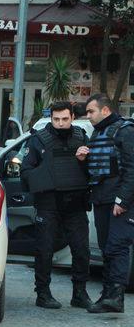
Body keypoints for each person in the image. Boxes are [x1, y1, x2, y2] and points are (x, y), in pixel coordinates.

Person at [20, 101, 91, 309]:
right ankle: (43, 293)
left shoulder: (81, 137)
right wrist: (46, 177)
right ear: (51, 118)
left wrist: (83, 161)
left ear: (72, 118)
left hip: (75, 203)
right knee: (45, 250)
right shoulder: (39, 140)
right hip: (49, 203)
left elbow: (92, 171)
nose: (60, 123)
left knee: (81, 250)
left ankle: (79, 293)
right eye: (56, 119)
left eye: (65, 119)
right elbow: (26, 172)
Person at [77, 93, 134, 313]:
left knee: (117, 247)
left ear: (106, 110)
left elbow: (131, 169)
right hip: (101, 198)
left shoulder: (125, 130)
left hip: (120, 200)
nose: (88, 116)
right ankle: (107, 296)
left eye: (91, 111)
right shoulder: (99, 132)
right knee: (106, 248)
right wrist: (83, 160)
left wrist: (123, 200)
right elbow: (97, 169)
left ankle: (116, 297)